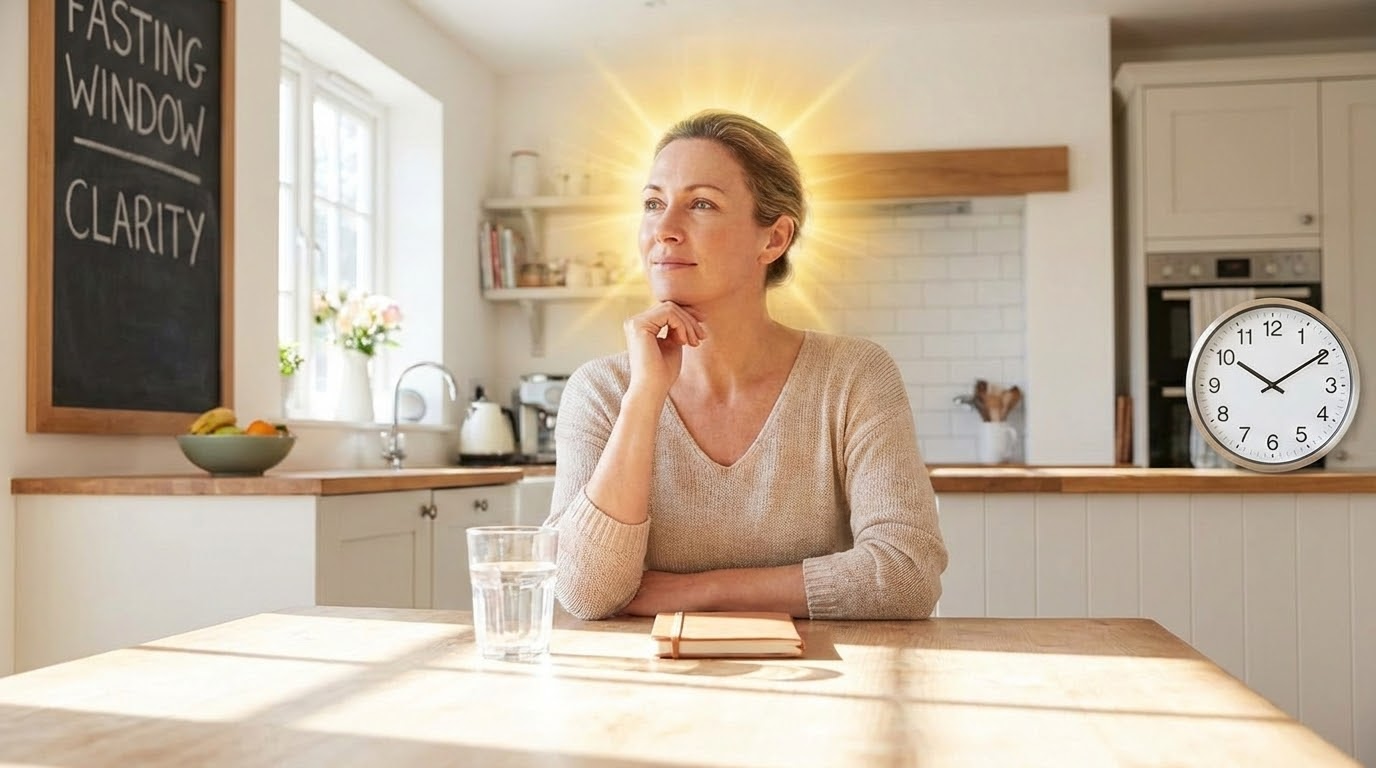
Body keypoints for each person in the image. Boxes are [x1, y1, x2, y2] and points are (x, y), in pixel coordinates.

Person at [546, 109, 947, 621]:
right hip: (650, 686)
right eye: (652, 203)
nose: (663, 230)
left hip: (821, 683)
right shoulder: (601, 390)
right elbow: (583, 592)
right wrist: (644, 399)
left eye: (702, 204)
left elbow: (906, 573)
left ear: (774, 239)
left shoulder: (853, 376)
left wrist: (698, 592)